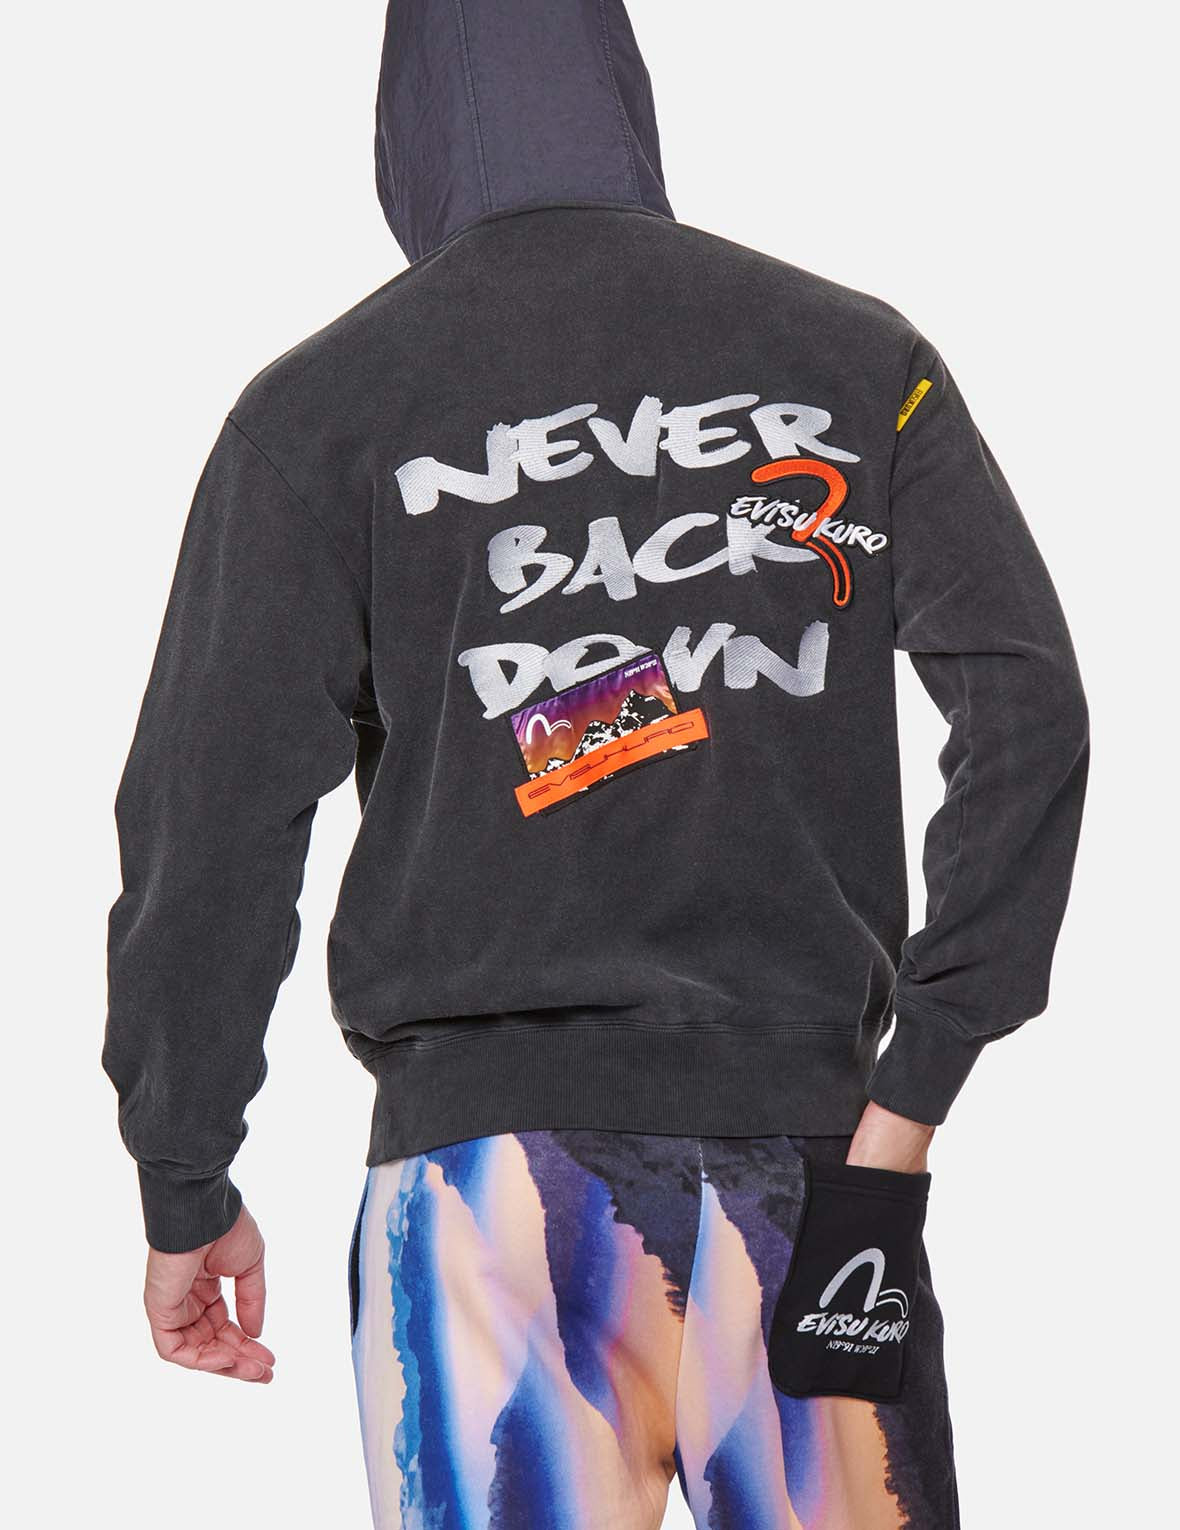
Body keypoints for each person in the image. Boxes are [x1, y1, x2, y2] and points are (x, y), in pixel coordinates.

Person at [104, 2, 1088, 1525]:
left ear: (404, 130)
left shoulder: (320, 412)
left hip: (481, 1202)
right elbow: (1030, 714)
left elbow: (206, 827)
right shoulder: (856, 359)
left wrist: (185, 1176)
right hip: (822, 1171)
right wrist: (912, 1095)